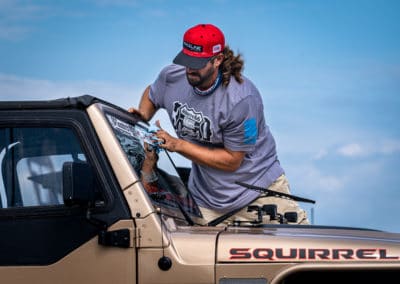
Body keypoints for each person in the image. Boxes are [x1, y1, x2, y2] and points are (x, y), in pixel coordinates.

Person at [129, 23, 308, 225]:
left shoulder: (241, 99)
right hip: (207, 201)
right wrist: (144, 113)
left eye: (197, 63)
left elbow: (232, 160)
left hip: (259, 194)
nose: (189, 69)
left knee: (301, 251)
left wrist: (177, 145)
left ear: (218, 60)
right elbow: (153, 93)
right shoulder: (172, 77)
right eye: (186, 60)